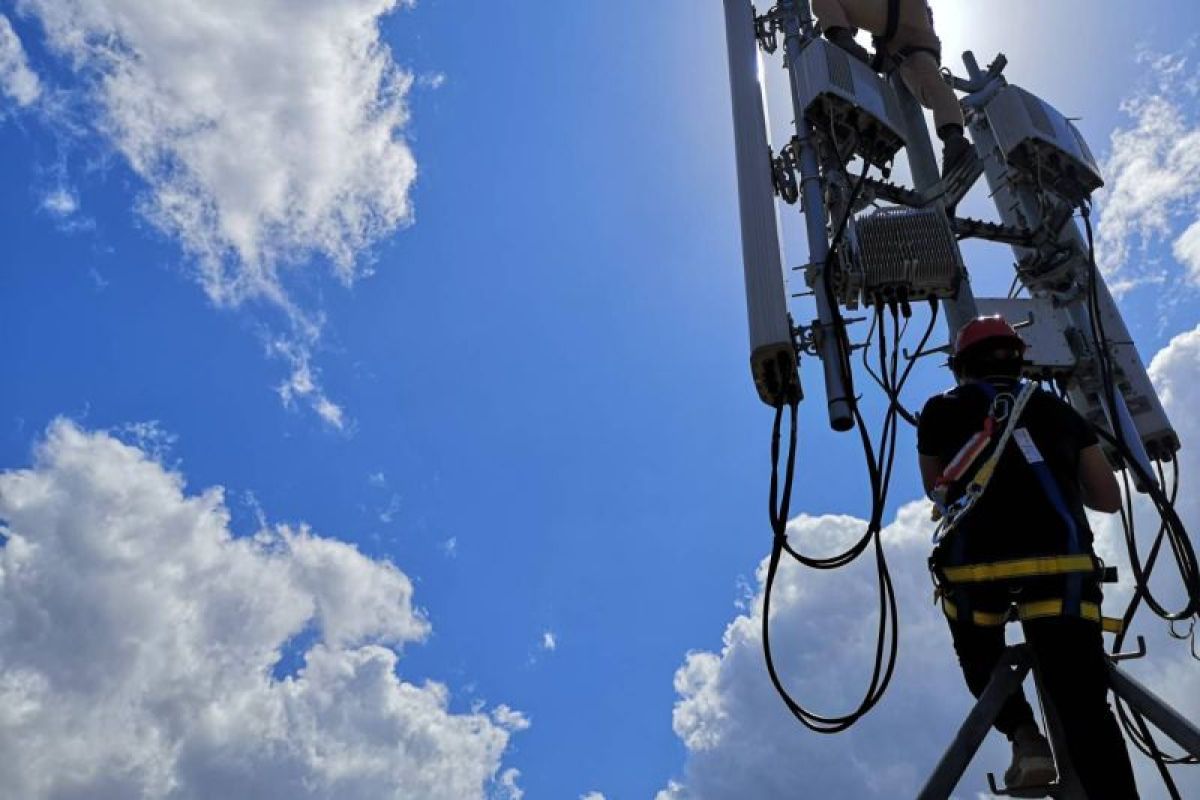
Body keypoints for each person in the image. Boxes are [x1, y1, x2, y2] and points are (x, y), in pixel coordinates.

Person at [916, 316, 1140, 796]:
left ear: (960, 367)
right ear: (1021, 359)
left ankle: (1024, 736)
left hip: (975, 574)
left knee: (978, 656)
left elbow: (937, 492)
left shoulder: (938, 411)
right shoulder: (1058, 411)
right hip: (1064, 575)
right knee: (1085, 709)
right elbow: (1106, 498)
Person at [812, 0, 973, 183]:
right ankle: (953, 139)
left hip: (892, 13)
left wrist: (844, 33)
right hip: (917, 33)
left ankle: (843, 40)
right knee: (931, 86)